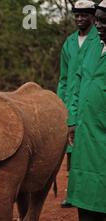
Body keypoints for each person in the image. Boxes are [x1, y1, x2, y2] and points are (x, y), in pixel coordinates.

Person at [67, 0, 106, 221]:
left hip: (103, 130)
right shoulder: (92, 46)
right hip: (86, 128)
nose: (99, 26)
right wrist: (72, 119)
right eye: (99, 20)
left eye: (103, 21)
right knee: (84, 185)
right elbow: (77, 80)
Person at [57, 0, 98, 208]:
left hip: (91, 103)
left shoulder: (99, 40)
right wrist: (59, 103)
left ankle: (91, 193)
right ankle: (72, 193)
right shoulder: (70, 42)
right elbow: (63, 78)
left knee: (91, 148)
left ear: (93, 16)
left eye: (85, 15)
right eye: (77, 15)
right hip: (70, 103)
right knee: (71, 150)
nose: (80, 18)